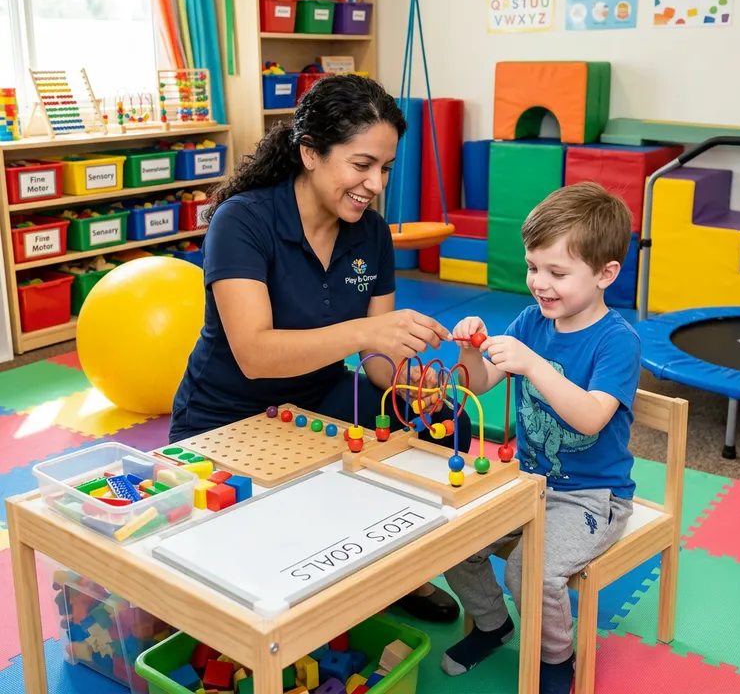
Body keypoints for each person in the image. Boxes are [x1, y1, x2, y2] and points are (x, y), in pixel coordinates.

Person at [170, 74, 471, 623]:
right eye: (361, 165)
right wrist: (363, 335)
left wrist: (409, 380)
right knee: (259, 578)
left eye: (385, 168)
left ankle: (396, 566)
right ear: (310, 153)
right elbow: (254, 354)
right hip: (226, 414)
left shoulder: (371, 233)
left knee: (444, 424)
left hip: (318, 397)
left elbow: (381, 359)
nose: (375, 183)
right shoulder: (243, 221)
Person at [439, 182, 642, 694]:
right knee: (451, 543)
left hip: (593, 496)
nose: (539, 283)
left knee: (529, 573)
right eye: (533, 267)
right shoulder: (533, 320)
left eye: (557, 272)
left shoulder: (618, 340)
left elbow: (592, 417)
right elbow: (481, 381)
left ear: (605, 274)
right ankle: (493, 625)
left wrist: (533, 365)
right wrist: (468, 351)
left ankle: (556, 659)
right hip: (529, 485)